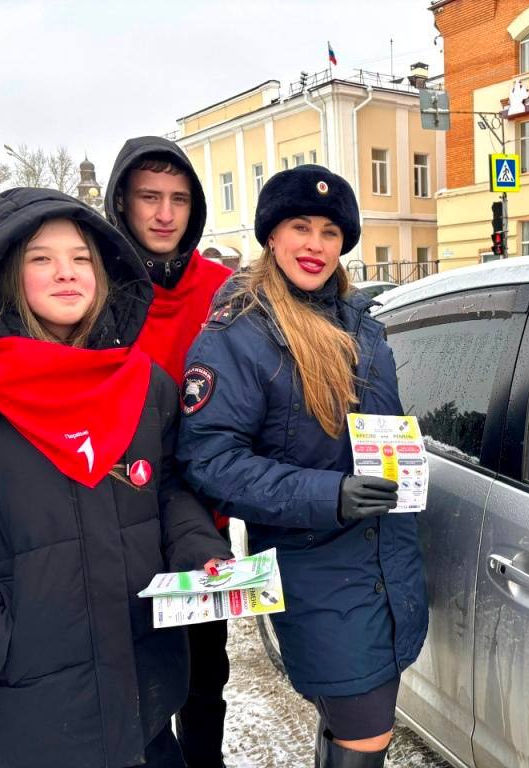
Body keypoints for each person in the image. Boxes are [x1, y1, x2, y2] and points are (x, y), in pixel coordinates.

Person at [0, 189, 227, 768]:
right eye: (41, 258)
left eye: (82, 257)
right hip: (22, 713)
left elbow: (170, 491)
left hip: (142, 694)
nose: (66, 272)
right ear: (7, 272)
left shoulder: (144, 386)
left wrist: (198, 551)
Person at [177, 165, 428, 768]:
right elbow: (208, 460)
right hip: (315, 568)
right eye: (299, 227)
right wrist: (330, 494)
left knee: (353, 725)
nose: (316, 245)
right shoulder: (239, 334)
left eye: (330, 232)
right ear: (271, 236)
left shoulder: (360, 324)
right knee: (366, 732)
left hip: (383, 561)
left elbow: (376, 432)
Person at [106, 135, 233, 768]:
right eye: (149, 197)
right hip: (117, 522)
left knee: (205, 678)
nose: (164, 213)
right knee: (136, 681)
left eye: (179, 199)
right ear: (122, 203)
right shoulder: (97, 286)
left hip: (201, 519)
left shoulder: (224, 289)